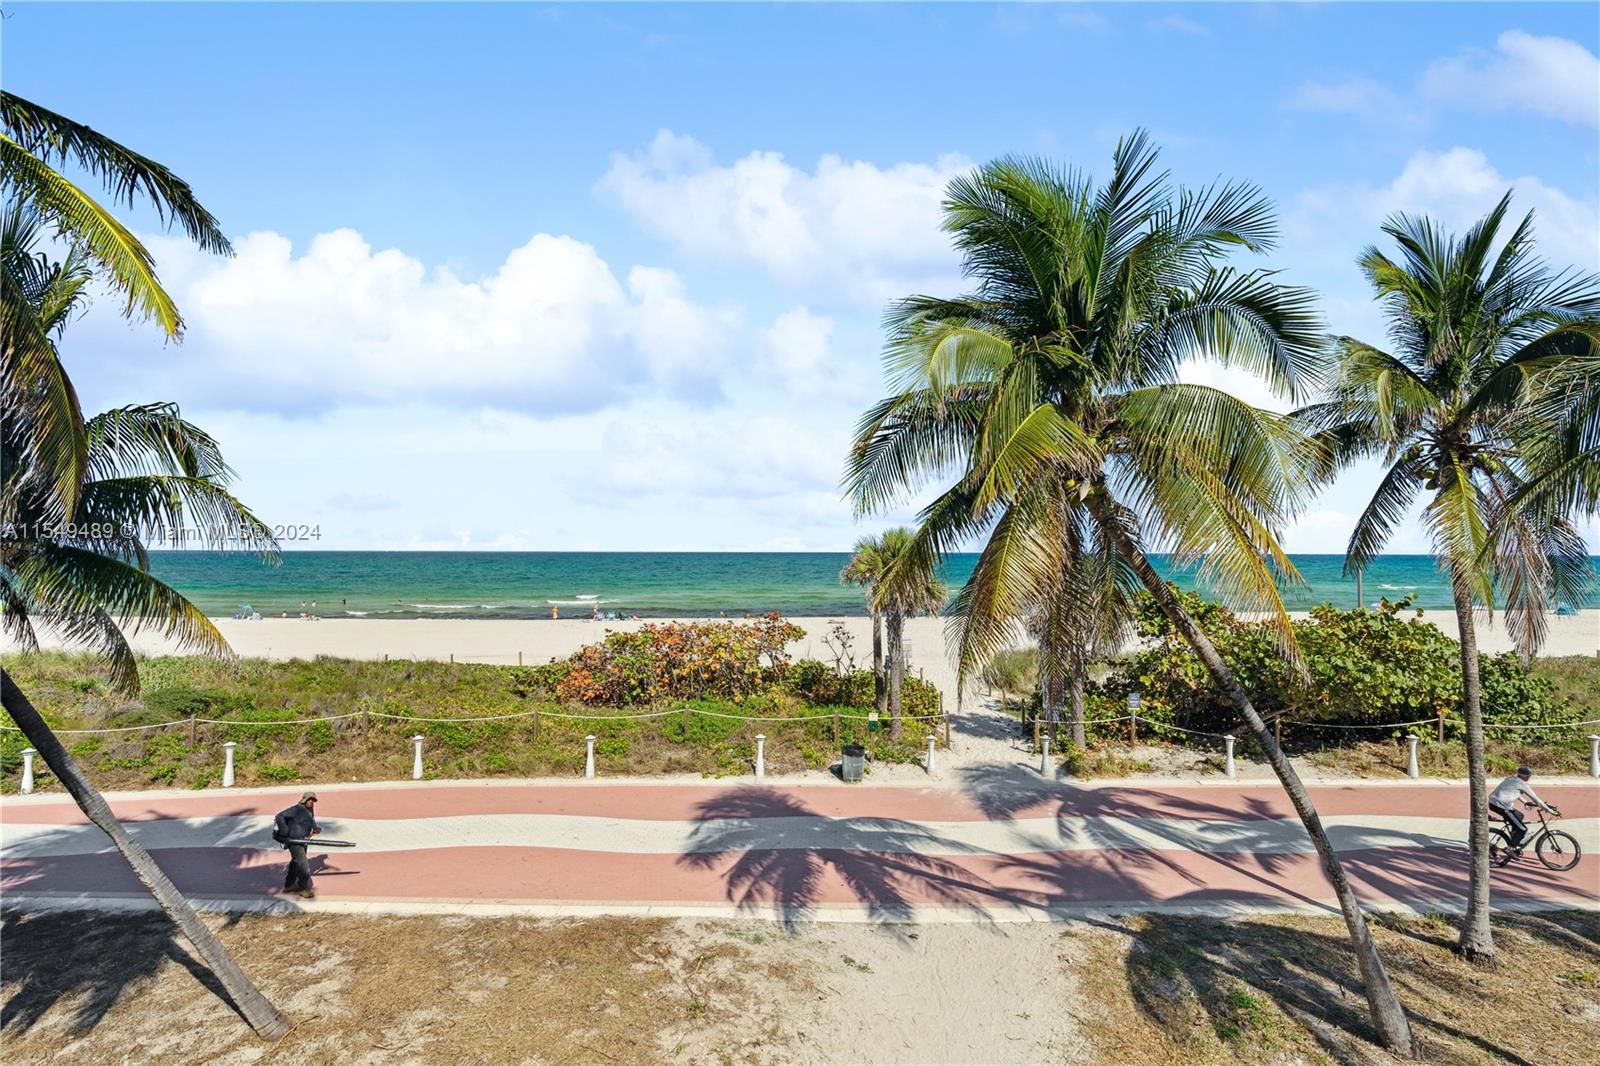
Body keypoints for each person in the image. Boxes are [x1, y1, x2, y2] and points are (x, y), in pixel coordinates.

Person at [1489, 767, 1559, 851]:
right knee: (1522, 829)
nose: (1529, 778)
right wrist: (1549, 810)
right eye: (1529, 776)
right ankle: (1510, 848)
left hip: (1493, 803)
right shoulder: (1522, 784)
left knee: (1519, 815)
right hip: (1502, 806)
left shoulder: (1511, 779)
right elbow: (1536, 800)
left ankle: (1515, 837)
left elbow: (1514, 792)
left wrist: (1525, 802)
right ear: (1525, 776)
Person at [272, 791, 322, 898]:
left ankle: (289, 885)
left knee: (295, 862)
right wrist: (284, 832)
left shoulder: (309, 810)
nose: (311, 802)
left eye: (312, 800)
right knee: (304, 866)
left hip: (303, 840)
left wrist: (315, 828)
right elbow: (279, 816)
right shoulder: (296, 809)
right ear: (304, 800)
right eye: (309, 800)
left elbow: (311, 819)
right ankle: (303, 889)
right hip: (294, 841)